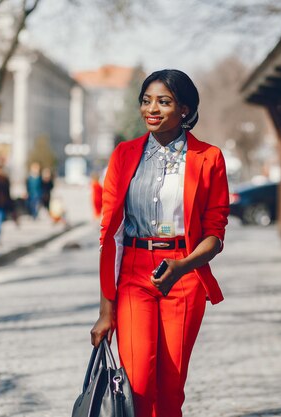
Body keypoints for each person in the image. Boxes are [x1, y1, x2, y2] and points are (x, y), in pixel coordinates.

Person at [90, 69, 230, 417]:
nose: (151, 108)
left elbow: (215, 233)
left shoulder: (209, 158)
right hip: (134, 275)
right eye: (146, 100)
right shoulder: (124, 154)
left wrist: (182, 266)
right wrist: (106, 310)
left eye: (163, 102)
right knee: (136, 385)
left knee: (170, 390)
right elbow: (111, 235)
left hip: (183, 274)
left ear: (184, 109)